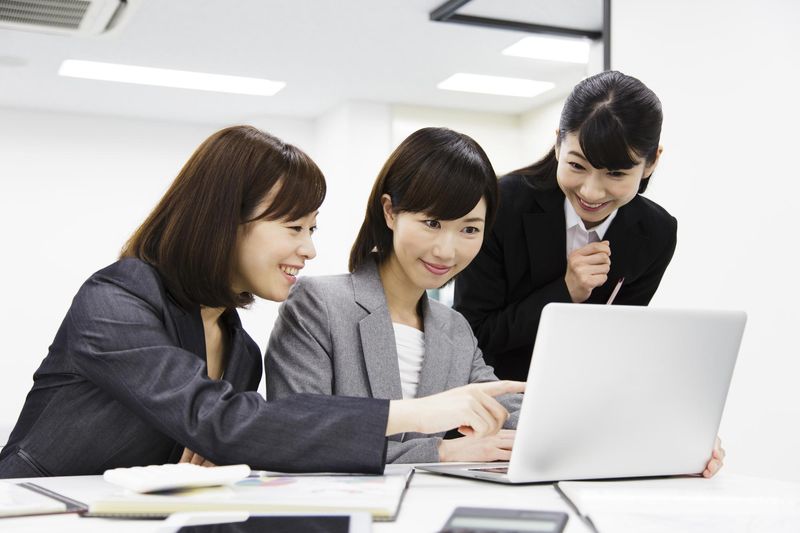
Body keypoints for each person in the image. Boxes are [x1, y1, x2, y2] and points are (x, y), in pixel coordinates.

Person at [0, 125, 523, 479]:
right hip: (32, 511)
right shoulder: (117, 299)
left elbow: (248, 436)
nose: (309, 249)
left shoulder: (241, 352)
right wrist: (420, 416)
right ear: (224, 221)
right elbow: (222, 421)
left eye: (312, 229)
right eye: (293, 227)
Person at [454, 71, 724, 477]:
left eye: (616, 174)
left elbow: (615, 350)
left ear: (652, 161)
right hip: (489, 423)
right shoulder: (500, 205)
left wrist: (672, 430)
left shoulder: (655, 232)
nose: (592, 192)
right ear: (558, 142)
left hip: (583, 427)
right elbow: (471, 338)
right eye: (577, 165)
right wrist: (565, 291)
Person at [266, 127, 521, 464]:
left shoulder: (455, 328)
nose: (447, 251)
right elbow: (300, 434)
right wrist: (440, 452)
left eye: (470, 229)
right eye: (432, 223)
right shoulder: (318, 303)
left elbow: (508, 408)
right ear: (390, 211)